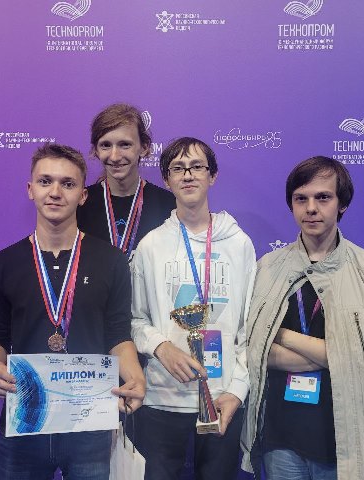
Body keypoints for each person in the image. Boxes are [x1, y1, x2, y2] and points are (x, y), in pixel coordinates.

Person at [241, 156, 364, 479]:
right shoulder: (266, 269)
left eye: (323, 197)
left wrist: (281, 336)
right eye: (301, 199)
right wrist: (330, 355)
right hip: (280, 445)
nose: (311, 208)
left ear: (342, 204)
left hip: (349, 450)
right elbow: (252, 350)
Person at [0, 143, 145, 480]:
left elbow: (118, 335)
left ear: (83, 196)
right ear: (30, 189)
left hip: (89, 425)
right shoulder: (2, 264)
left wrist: (135, 375)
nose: (55, 192)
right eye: (45, 181)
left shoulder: (111, 261)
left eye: (67, 184)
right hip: (24, 422)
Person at [130, 137, 256, 480]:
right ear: (167, 179)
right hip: (162, 399)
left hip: (222, 397)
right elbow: (135, 319)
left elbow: (250, 328)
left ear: (212, 176)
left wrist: (237, 390)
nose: (188, 175)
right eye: (178, 168)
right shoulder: (151, 246)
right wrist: (161, 346)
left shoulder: (239, 244)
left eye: (197, 166)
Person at [77, 103, 176, 258]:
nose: (115, 156)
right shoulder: (80, 204)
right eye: (105, 145)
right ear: (96, 150)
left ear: (144, 147)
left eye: (125, 145)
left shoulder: (169, 205)